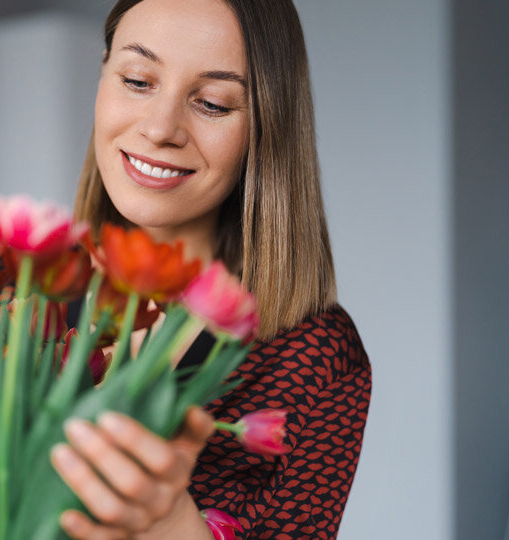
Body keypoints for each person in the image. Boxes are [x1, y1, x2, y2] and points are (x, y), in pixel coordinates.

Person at [49, 0, 372, 539]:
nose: (159, 128)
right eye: (137, 79)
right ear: (104, 74)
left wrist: (170, 522)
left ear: (267, 127)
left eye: (213, 103)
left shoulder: (316, 354)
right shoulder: (14, 291)